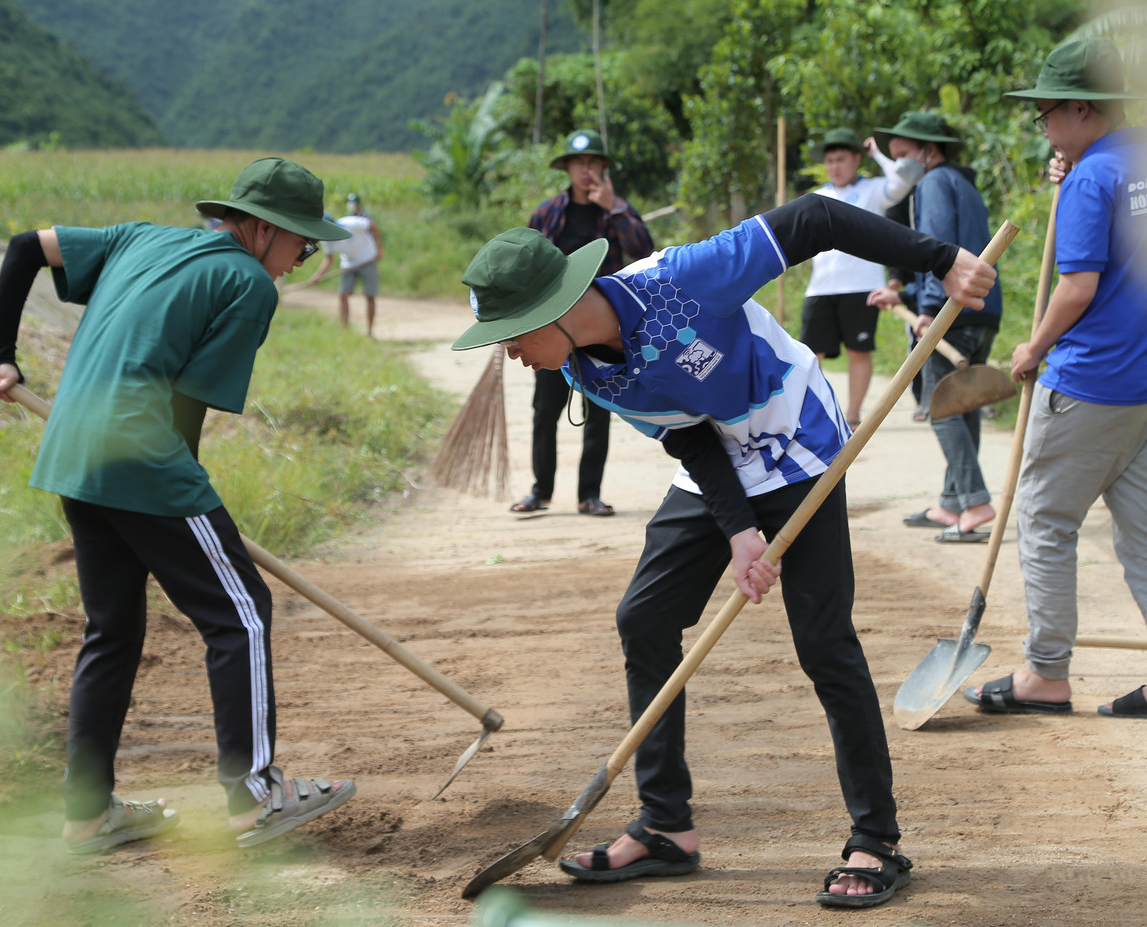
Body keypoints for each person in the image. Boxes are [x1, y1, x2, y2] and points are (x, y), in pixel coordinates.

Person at [452, 194, 996, 905]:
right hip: (718, 458)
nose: (512, 356)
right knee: (644, 617)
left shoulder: (681, 280)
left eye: (513, 336)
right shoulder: (586, 368)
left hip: (799, 444)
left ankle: (876, 837)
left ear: (552, 309)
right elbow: (687, 431)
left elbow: (813, 219)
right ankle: (665, 827)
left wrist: (941, 258)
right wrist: (740, 530)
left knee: (823, 641)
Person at [0, 157, 358, 853]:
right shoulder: (247, 282)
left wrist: (1, 351)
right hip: (140, 457)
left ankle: (87, 813)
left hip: (74, 454)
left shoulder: (142, 238)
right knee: (241, 613)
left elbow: (25, 248)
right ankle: (255, 794)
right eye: (302, 245)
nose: (301, 260)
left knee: (112, 630)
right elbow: (186, 406)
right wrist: (178, 490)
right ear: (265, 230)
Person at [965, 38, 1147, 720]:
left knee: (1044, 521)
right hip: (1142, 383)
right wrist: (1073, 171)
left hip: (1090, 380)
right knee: (1142, 531)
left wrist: (1031, 348)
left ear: (1081, 107)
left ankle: (1045, 673)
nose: (1041, 125)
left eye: (1045, 112)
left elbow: (1075, 287)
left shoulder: (1091, 179)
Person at [869, 112, 1003, 542]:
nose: (901, 165)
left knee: (939, 404)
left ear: (929, 150)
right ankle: (951, 502)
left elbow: (941, 252)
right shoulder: (964, 184)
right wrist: (907, 296)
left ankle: (976, 502)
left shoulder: (933, 184)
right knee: (963, 403)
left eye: (905, 155)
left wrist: (927, 307)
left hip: (953, 310)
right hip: (982, 309)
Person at [511, 129, 655, 517]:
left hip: (599, 325)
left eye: (593, 163)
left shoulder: (619, 210)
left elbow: (645, 252)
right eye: (579, 163)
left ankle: (589, 494)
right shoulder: (546, 213)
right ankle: (540, 491)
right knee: (545, 409)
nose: (586, 169)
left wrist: (615, 208)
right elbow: (524, 266)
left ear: (603, 169)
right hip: (551, 326)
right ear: (568, 168)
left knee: (599, 408)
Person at [798, 128, 918, 427]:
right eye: (829, 161)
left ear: (856, 159)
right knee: (809, 356)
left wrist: (877, 154)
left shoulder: (874, 189)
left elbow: (903, 181)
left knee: (858, 351)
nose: (835, 166)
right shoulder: (817, 197)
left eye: (841, 159)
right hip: (820, 289)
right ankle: (812, 416)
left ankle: (852, 417)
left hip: (862, 287)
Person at [308, 192, 381, 336]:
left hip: (367, 259)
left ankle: (370, 331)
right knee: (343, 294)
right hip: (348, 263)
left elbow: (373, 226)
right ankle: (345, 330)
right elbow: (329, 259)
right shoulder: (325, 239)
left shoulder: (351, 223)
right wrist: (317, 276)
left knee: (370, 295)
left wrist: (379, 249)